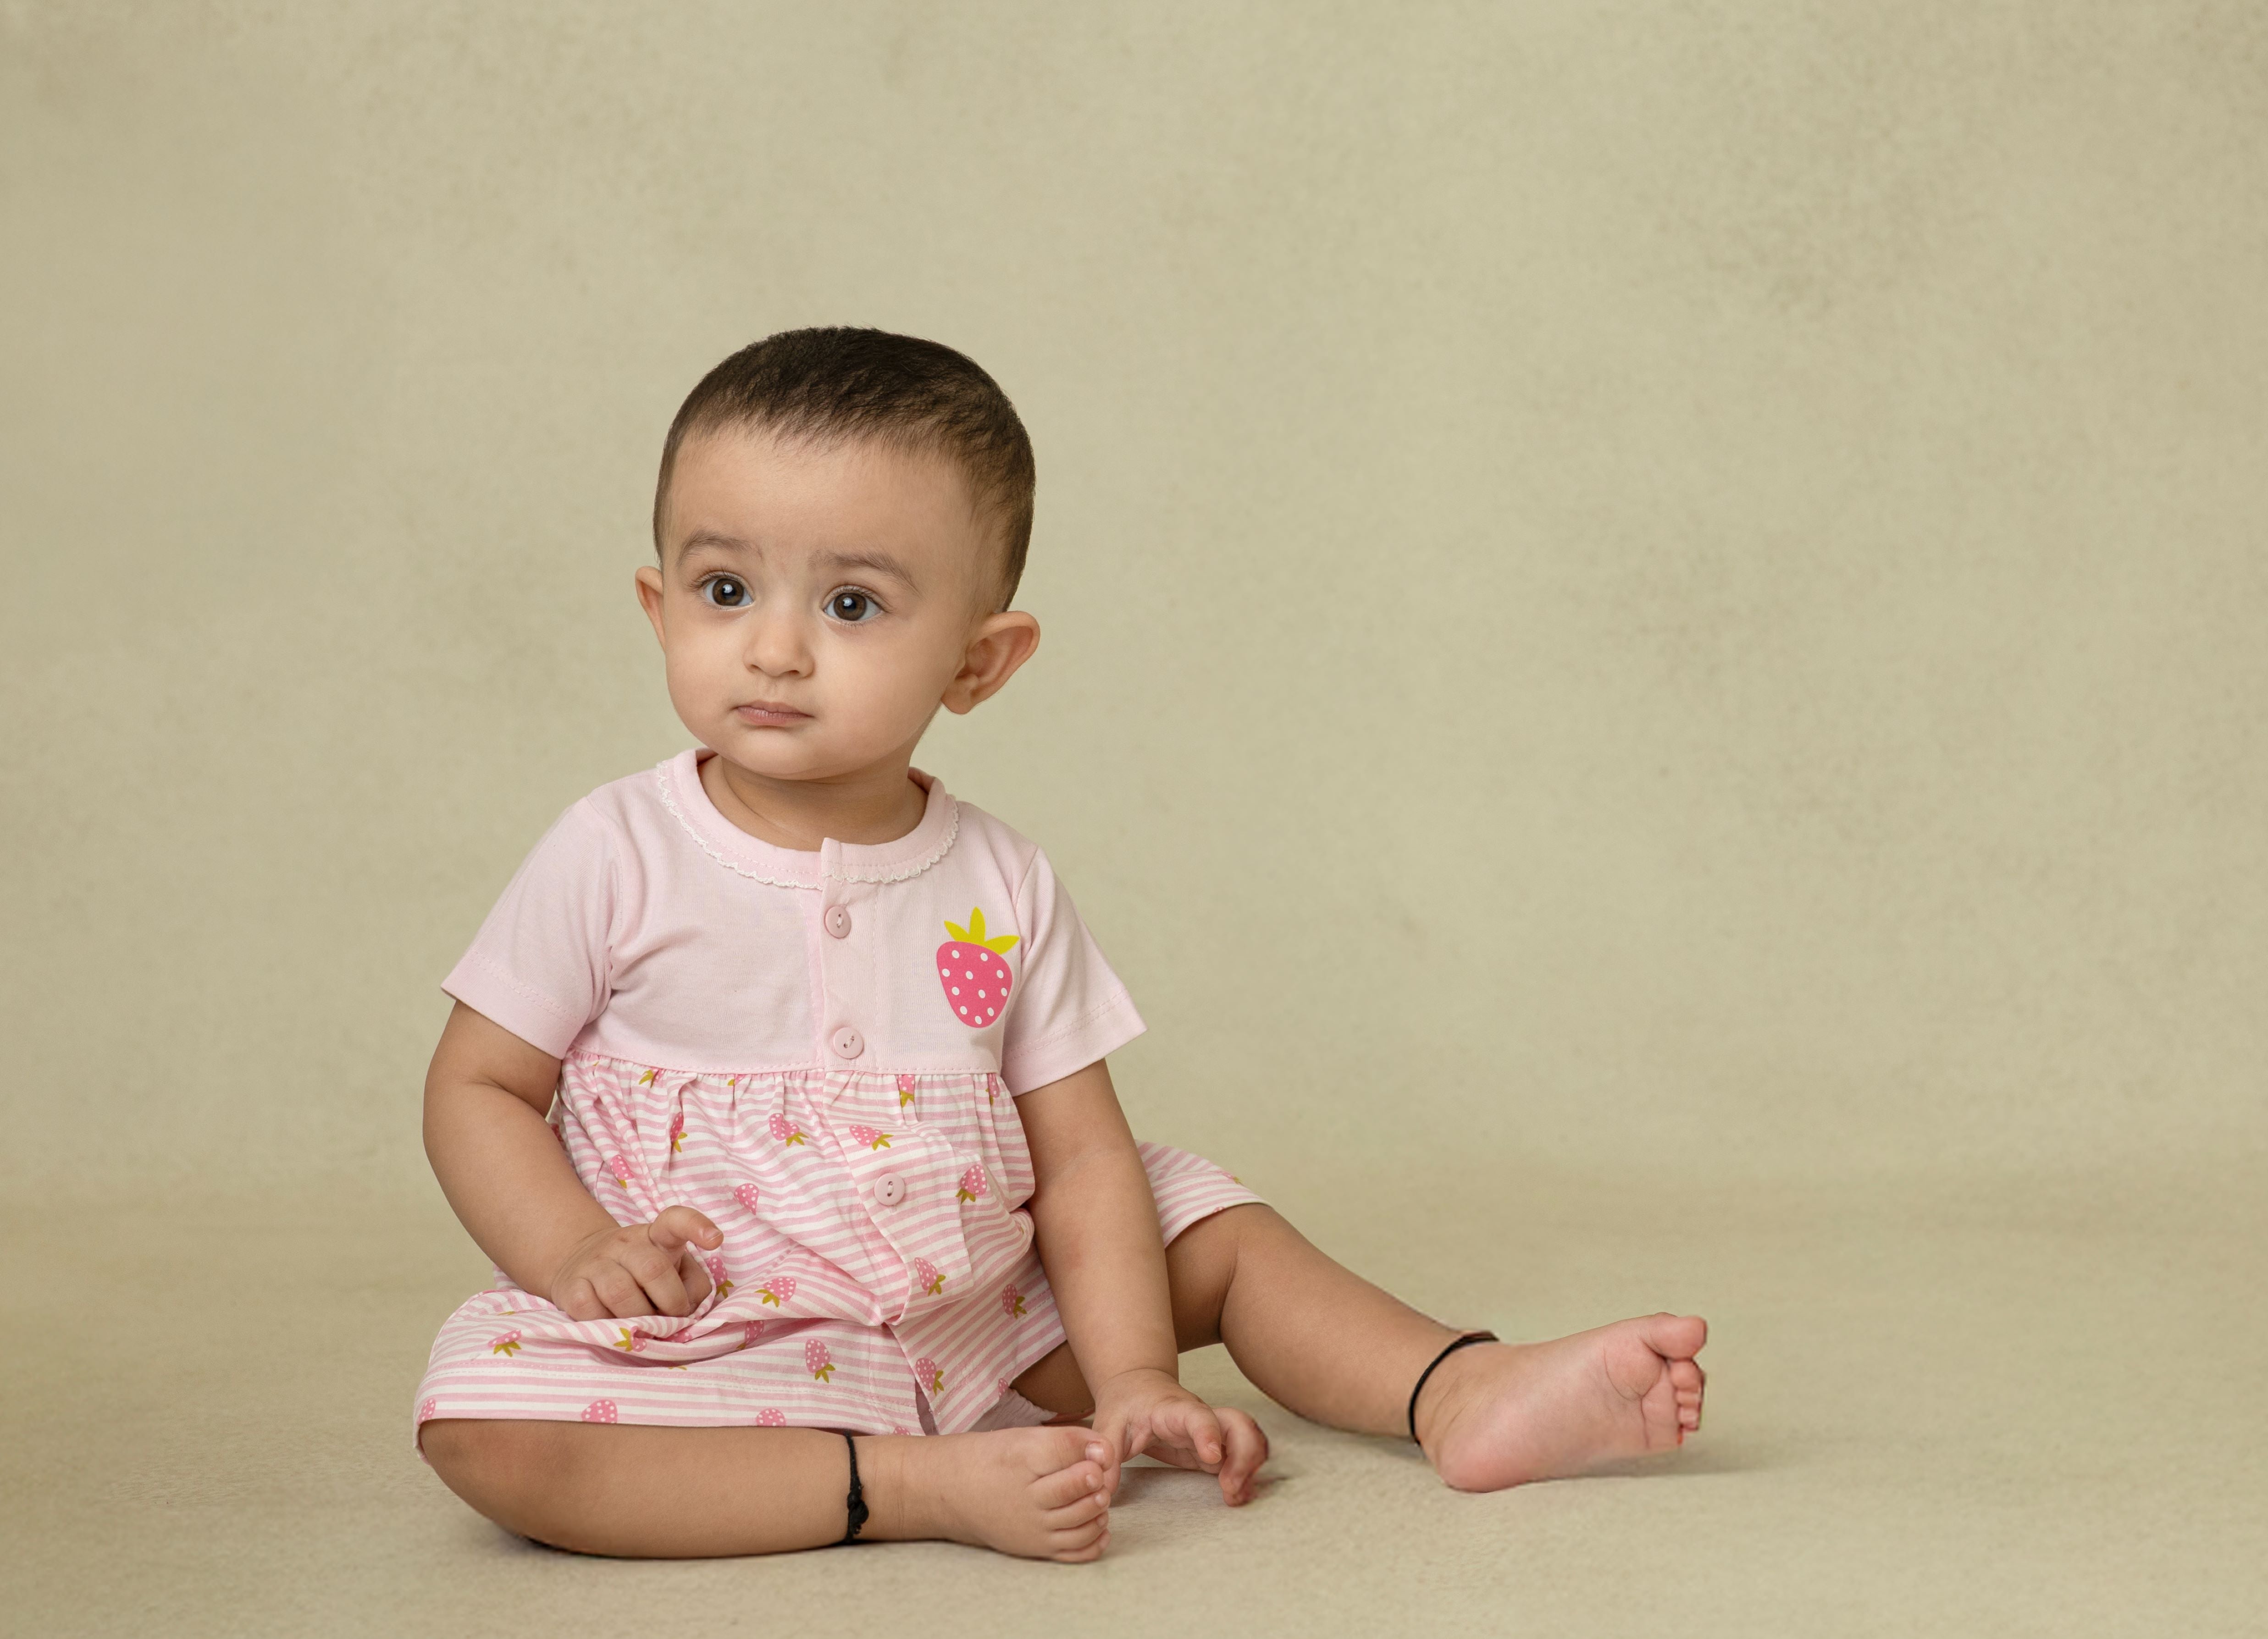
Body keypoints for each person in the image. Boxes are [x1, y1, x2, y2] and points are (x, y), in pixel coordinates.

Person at [414, 327, 1707, 1561]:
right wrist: (575, 1251)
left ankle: (1457, 1390)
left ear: (979, 663)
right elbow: (479, 1087)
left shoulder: (996, 880)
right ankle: (905, 1487)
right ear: (657, 606)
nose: (775, 646)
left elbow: (1081, 1156)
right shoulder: (615, 849)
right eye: (724, 589)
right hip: (724, 1322)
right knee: (493, 1439)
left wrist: (1135, 1376)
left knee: (1217, 1230)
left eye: (852, 603)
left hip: (989, 1317)